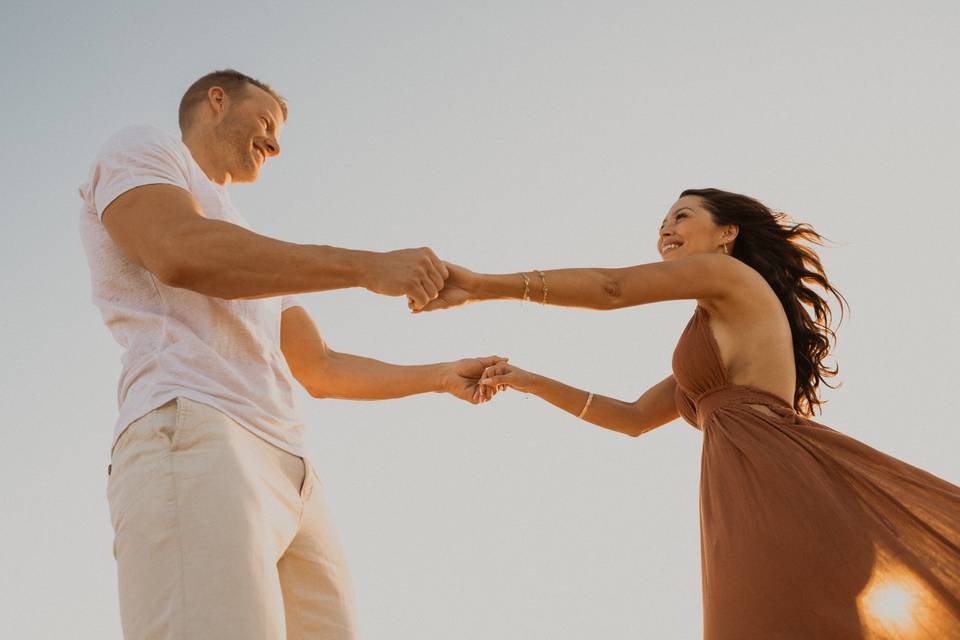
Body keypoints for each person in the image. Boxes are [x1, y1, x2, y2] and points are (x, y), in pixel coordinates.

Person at [419, 188, 960, 639]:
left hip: (773, 482)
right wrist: (534, 383)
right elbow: (631, 417)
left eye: (682, 216)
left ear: (727, 234)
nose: (665, 231)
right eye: (661, 224)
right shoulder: (714, 339)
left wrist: (482, 286)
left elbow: (612, 289)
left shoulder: (732, 280)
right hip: (747, 484)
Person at [79, 69, 502, 639]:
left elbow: (320, 367)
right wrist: (367, 266)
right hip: (197, 430)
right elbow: (176, 252)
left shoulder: (253, 245)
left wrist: (438, 375)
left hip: (296, 475)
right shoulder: (144, 149)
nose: (275, 144)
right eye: (267, 122)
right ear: (217, 100)